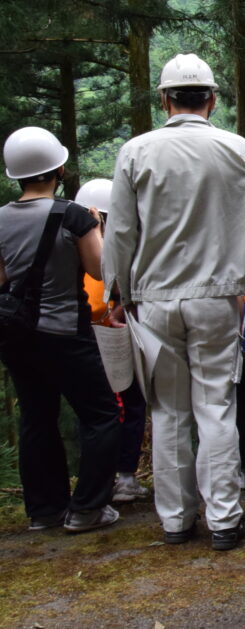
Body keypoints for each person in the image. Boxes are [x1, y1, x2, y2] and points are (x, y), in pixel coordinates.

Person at [103, 54, 245, 549]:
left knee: (168, 412)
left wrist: (117, 293)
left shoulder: (136, 151)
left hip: (153, 298)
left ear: (164, 99)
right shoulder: (237, 148)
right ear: (212, 100)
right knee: (215, 406)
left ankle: (176, 520)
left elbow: (122, 232)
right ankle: (223, 519)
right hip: (218, 296)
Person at [0, 127, 121, 533]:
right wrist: (98, 230)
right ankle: (87, 507)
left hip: (17, 337)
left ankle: (44, 511)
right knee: (101, 414)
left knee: (36, 417)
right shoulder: (72, 215)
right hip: (66, 331)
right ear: (61, 169)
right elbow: (97, 270)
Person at [75, 178, 150, 505]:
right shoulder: (120, 249)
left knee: (94, 414)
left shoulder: (74, 245)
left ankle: (99, 481)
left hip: (82, 339)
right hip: (116, 338)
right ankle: (124, 478)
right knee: (131, 405)